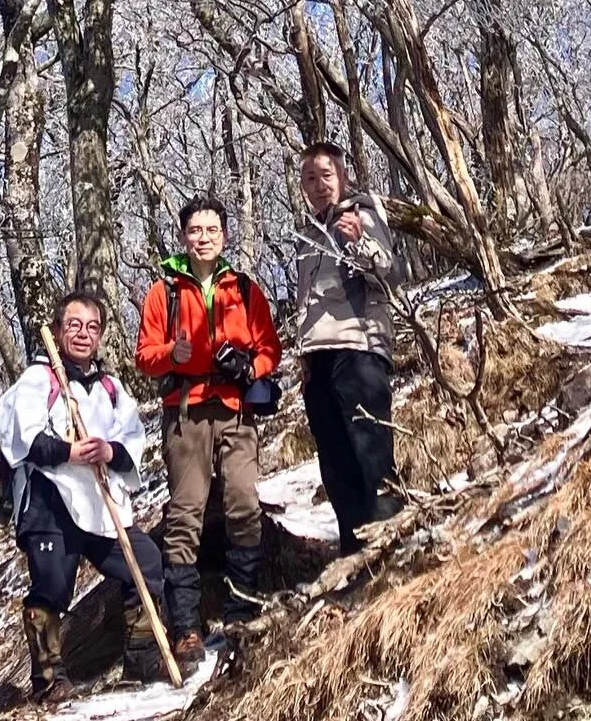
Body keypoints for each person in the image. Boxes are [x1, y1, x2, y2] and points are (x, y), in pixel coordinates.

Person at [0, 292, 166, 703]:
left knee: (144, 563)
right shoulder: (39, 380)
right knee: (53, 583)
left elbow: (132, 438)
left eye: (92, 327)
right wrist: (69, 452)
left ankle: (143, 658)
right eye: (73, 325)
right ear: (57, 330)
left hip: (99, 500)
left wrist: (109, 452)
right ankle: (49, 680)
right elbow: (23, 438)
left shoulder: (110, 387)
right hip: (50, 500)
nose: (82, 334)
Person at [135, 195, 281, 667]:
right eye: (195, 230)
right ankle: (186, 629)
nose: (203, 237)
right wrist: (169, 357)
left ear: (225, 235)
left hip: (236, 410)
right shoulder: (164, 291)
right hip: (186, 410)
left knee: (242, 501)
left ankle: (242, 609)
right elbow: (144, 354)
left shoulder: (244, 288)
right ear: (183, 236)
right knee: (185, 515)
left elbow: (270, 349)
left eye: (212, 229)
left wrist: (249, 365)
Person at [296, 141, 410, 556]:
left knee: (370, 451)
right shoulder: (307, 236)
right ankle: (353, 553)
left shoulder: (361, 212)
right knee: (334, 460)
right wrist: (304, 356)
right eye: (310, 178)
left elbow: (391, 273)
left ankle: (391, 545)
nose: (319, 184)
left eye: (326, 175)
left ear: (342, 177)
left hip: (358, 347)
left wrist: (361, 240)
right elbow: (306, 302)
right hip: (318, 357)